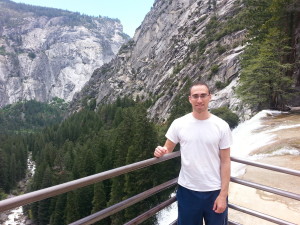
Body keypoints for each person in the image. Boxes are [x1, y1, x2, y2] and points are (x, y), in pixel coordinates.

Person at [154, 81, 232, 225]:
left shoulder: (221, 126)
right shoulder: (179, 123)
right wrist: (160, 151)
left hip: (214, 191)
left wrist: (223, 195)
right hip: (187, 190)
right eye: (195, 96)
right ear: (190, 99)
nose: (199, 100)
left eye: (203, 95)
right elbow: (167, 149)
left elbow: (225, 161)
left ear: (210, 97)